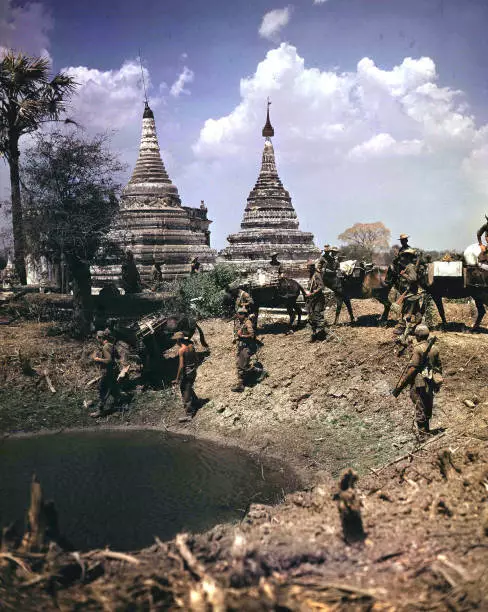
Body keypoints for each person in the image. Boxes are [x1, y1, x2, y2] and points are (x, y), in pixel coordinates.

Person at [392, 325, 443, 437]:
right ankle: (426, 431)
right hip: (431, 382)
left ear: (417, 336)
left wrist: (402, 384)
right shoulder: (435, 348)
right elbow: (439, 367)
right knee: (427, 405)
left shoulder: (418, 349)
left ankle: (423, 435)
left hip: (419, 383)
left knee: (420, 407)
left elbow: (413, 369)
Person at [232, 308, 265, 392]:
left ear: (243, 314)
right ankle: (241, 385)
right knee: (239, 365)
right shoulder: (240, 322)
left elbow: (252, 335)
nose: (237, 316)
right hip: (241, 346)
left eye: (239, 314)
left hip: (247, 347)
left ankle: (261, 371)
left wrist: (242, 336)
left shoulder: (247, 323)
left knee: (244, 365)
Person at [90, 329, 121, 418]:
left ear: (100, 338)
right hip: (114, 371)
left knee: (102, 389)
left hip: (108, 372)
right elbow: (118, 357)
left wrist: (98, 359)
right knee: (113, 388)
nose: (97, 340)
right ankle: (118, 406)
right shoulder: (111, 345)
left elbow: (109, 360)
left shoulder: (105, 347)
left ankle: (100, 410)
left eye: (97, 338)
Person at [172, 331, 199, 419]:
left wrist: (177, 378)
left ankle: (189, 413)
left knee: (184, 390)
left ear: (178, 341)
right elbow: (196, 359)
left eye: (176, 340)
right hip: (193, 371)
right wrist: (194, 368)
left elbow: (181, 366)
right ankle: (196, 402)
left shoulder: (181, 350)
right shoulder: (191, 346)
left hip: (187, 373)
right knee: (189, 386)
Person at [305, 260, 327, 342]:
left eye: (309, 267)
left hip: (318, 299)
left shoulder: (317, 274)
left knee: (317, 315)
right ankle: (314, 335)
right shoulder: (311, 275)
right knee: (311, 317)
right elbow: (310, 286)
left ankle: (321, 336)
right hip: (311, 300)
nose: (308, 269)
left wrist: (313, 293)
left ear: (312, 267)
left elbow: (321, 286)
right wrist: (307, 292)